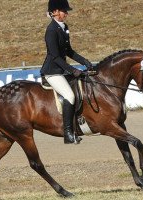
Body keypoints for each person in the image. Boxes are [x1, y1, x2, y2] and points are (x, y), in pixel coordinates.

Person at [40, 0, 93, 144]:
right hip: (52, 71)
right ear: (55, 12)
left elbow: (69, 51)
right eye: (64, 11)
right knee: (69, 95)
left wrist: (84, 61)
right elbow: (55, 56)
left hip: (61, 70)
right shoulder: (51, 30)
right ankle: (68, 133)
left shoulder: (63, 27)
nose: (67, 14)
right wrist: (72, 70)